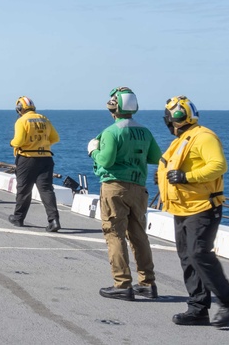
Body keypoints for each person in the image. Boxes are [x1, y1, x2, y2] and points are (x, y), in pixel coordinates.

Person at [157, 96, 229, 327]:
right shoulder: (182, 140)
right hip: (182, 207)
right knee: (187, 257)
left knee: (199, 254)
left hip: (202, 207)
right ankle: (197, 309)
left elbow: (218, 165)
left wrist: (187, 177)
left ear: (173, 118)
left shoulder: (204, 136)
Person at [88, 86, 161, 301]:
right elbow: (156, 157)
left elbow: (106, 160)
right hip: (138, 188)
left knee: (114, 234)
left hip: (115, 187)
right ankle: (147, 283)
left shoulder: (111, 132)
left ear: (114, 108)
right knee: (139, 235)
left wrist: (93, 150)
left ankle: (122, 283)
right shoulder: (145, 132)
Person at [8, 96, 61, 231]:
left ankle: (18, 218)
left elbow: (18, 141)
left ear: (19, 109)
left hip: (27, 158)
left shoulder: (22, 121)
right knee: (46, 189)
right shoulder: (44, 119)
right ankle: (54, 220)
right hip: (46, 158)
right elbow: (55, 138)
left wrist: (12, 143)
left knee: (24, 189)